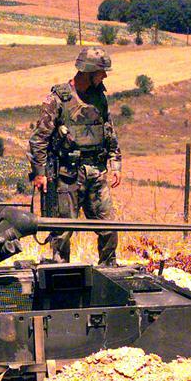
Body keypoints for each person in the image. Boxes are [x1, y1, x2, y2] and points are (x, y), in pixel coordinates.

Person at [27, 46, 122, 264]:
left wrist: (115, 163)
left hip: (96, 174)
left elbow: (109, 132)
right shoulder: (57, 100)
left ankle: (109, 269)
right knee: (62, 232)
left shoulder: (100, 98)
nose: (105, 76)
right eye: (101, 72)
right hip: (66, 175)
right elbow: (38, 139)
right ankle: (61, 273)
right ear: (88, 72)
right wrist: (39, 173)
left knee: (109, 227)